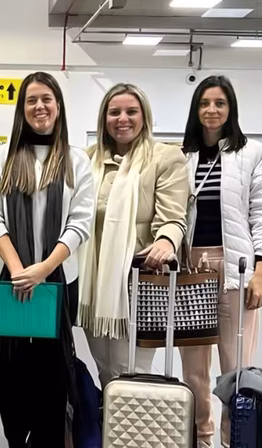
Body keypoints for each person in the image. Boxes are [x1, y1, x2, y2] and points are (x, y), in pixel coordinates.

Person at [0, 72, 95, 446]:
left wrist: (43, 269)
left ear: (58, 106)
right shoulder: (4, 157)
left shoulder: (77, 160)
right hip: (9, 281)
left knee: (52, 373)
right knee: (12, 372)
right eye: (31, 100)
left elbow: (80, 223)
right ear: (21, 108)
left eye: (46, 99)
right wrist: (17, 269)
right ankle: (16, 440)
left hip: (58, 282)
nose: (39, 106)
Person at [178, 75, 262, 448]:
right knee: (193, 369)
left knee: (236, 368)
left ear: (231, 108)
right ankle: (200, 439)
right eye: (204, 103)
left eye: (220, 103)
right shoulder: (181, 155)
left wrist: (261, 271)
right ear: (195, 109)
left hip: (236, 267)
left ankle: (232, 439)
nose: (212, 110)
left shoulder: (252, 153)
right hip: (190, 268)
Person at [77, 83, 189, 388]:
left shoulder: (165, 158)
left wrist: (166, 240)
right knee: (104, 368)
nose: (122, 119)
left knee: (133, 370)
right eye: (114, 112)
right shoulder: (87, 159)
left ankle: (132, 419)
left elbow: (173, 216)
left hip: (137, 281)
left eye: (131, 111)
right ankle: (109, 417)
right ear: (104, 118)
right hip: (94, 282)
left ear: (144, 116)